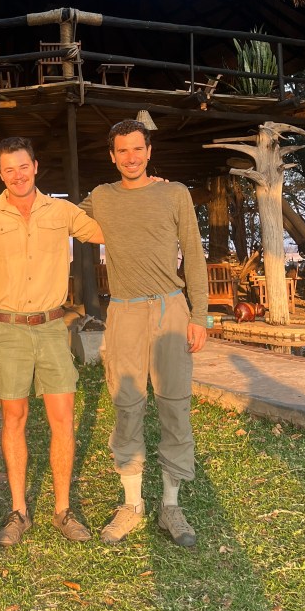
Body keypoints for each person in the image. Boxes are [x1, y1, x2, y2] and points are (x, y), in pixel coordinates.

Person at [0, 136, 104, 547]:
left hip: (51, 327)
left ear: (36, 166)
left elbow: (101, 230)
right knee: (14, 419)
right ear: (0, 173)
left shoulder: (61, 211)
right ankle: (18, 511)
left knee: (63, 418)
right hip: (7, 329)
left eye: (23, 166)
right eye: (9, 169)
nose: (17, 175)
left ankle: (62, 510)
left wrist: (143, 188)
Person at [80, 119, 208, 546]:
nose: (130, 157)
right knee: (126, 403)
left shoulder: (175, 193)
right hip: (124, 312)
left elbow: (193, 252)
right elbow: (53, 215)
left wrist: (199, 314)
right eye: (122, 151)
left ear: (149, 151)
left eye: (138, 149)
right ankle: (132, 504)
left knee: (174, 405)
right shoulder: (100, 197)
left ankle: (171, 507)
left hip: (170, 308)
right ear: (111, 155)